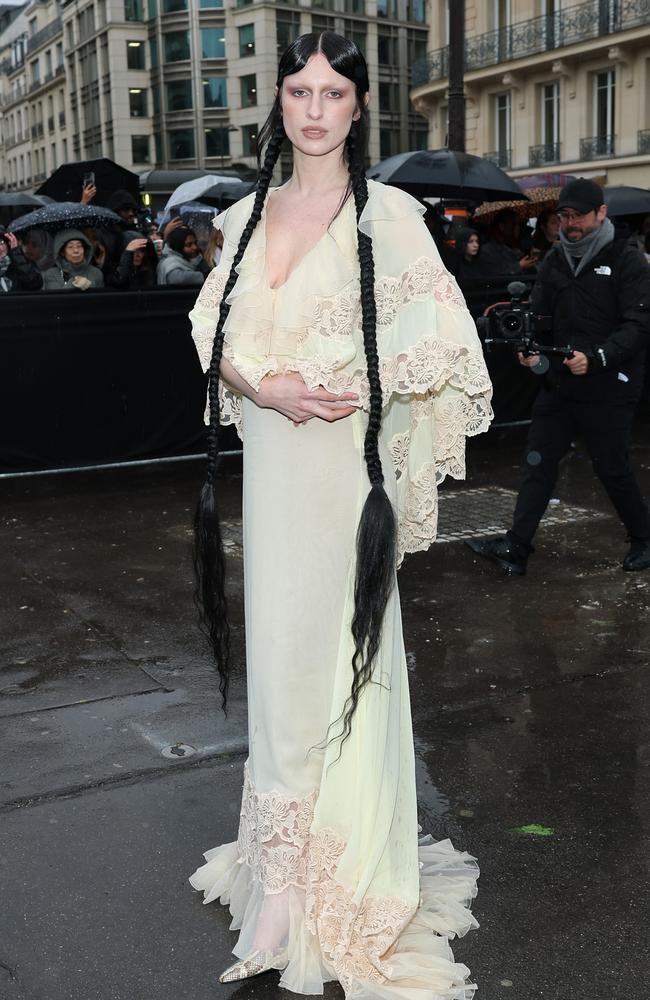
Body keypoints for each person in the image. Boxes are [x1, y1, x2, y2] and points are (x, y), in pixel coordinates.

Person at [187, 31, 492, 997]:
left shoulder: (389, 216)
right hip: (273, 471)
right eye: (298, 90)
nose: (314, 108)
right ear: (277, 103)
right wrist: (260, 381)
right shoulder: (242, 217)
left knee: (331, 666)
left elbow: (444, 345)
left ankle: (335, 881)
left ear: (361, 107)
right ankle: (279, 879)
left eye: (332, 92)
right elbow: (206, 328)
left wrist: (330, 378)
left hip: (341, 476)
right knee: (277, 665)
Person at [466, 178, 650, 575]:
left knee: (612, 468)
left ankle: (644, 538)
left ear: (601, 213)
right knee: (538, 461)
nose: (570, 224)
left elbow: (638, 323)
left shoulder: (625, 259)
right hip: (561, 382)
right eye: (564, 216)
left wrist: (599, 357)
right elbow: (542, 316)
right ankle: (517, 547)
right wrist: (529, 348)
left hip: (609, 385)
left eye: (578, 215)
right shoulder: (554, 260)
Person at [480, 208, 539, 276]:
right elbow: (491, 272)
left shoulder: (518, 246)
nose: (518, 228)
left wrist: (531, 260)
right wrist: (519, 266)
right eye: (514, 224)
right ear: (502, 227)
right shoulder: (487, 250)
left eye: (518, 224)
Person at [0, 226, 43, 292]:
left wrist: (17, 254)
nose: (0, 248)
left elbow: (35, 283)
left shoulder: (19, 263)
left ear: (8, 244)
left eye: (1, 242)